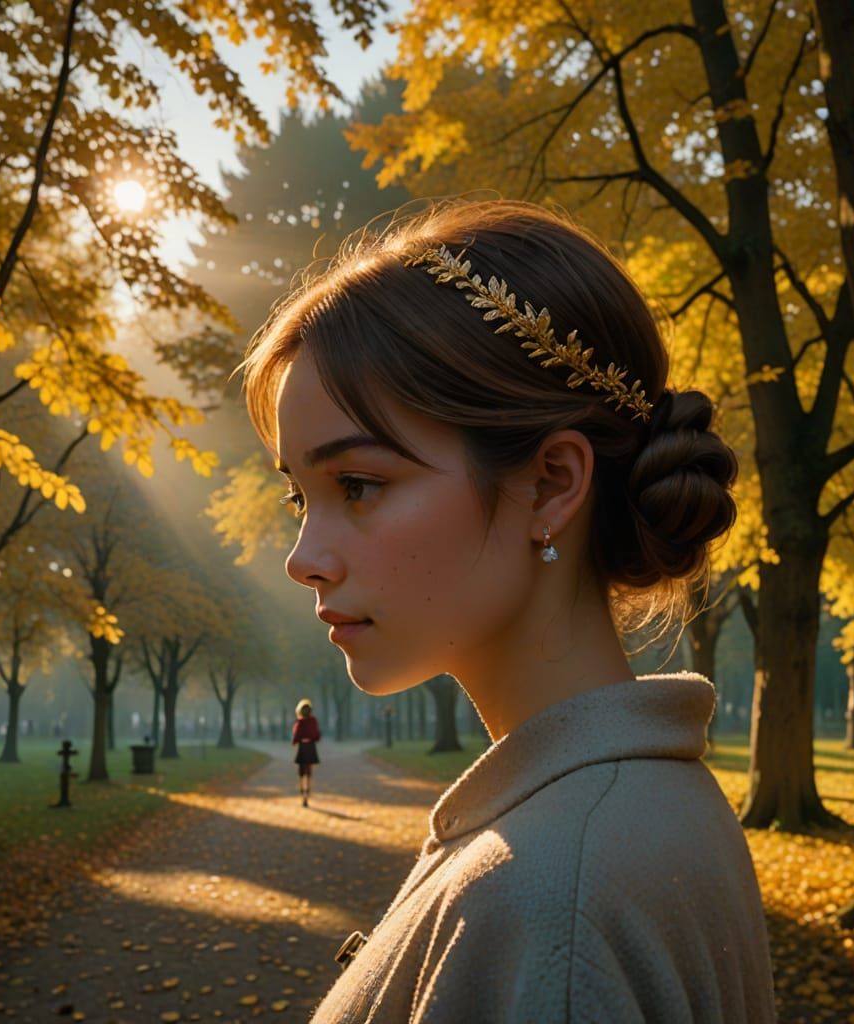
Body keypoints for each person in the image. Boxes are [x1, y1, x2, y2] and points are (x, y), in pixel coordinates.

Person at [243, 199, 776, 1022]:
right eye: (298, 497)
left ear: (551, 484)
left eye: (357, 485)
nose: (302, 558)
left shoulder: (552, 901)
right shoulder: (644, 805)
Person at [291, 698, 321, 807]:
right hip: (310, 748)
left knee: (301, 772)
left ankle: (302, 792)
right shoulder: (313, 721)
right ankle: (306, 794)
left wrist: (295, 742)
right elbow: (317, 735)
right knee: (308, 772)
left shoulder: (299, 722)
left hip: (302, 748)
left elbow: (296, 736)